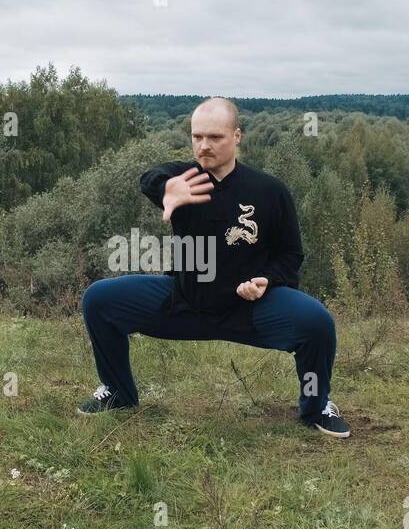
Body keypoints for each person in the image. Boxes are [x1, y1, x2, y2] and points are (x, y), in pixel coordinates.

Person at [77, 97, 351, 437]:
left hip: (249, 309)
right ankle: (118, 393)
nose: (204, 146)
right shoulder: (184, 178)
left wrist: (266, 280)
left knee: (316, 323)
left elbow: (290, 255)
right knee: (99, 300)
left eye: (215, 138)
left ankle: (315, 407)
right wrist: (167, 188)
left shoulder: (269, 191)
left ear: (237, 136)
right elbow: (150, 177)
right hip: (185, 302)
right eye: (197, 137)